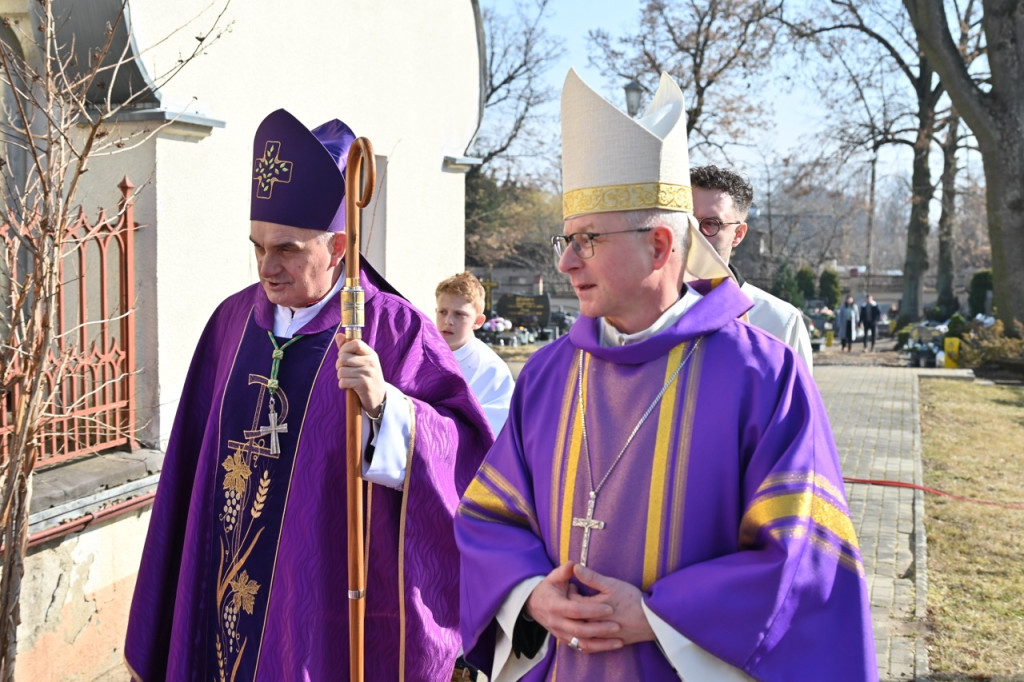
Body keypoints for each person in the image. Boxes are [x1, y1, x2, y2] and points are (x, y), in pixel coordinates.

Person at [456, 70, 876, 681]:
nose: (567, 261)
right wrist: (528, 595)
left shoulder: (764, 375)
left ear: (659, 245)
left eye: (588, 240)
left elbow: (803, 563)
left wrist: (660, 615)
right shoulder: (549, 374)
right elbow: (490, 517)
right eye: (565, 240)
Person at [124, 109, 492, 681]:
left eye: (288, 250)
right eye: (258, 247)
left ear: (339, 245)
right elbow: (188, 474)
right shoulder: (231, 321)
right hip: (222, 593)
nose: (267, 269)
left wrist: (387, 409)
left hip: (319, 616)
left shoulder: (394, 331)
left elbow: (468, 459)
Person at [690, 165, 814, 371]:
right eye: (688, 220)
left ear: (738, 234)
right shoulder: (647, 313)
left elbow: (797, 402)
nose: (694, 232)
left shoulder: (781, 322)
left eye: (710, 223)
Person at [435, 271, 516, 435]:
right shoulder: (420, 353)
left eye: (459, 314)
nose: (448, 321)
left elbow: (495, 430)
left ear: (478, 321)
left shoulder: (493, 370)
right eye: (442, 312)